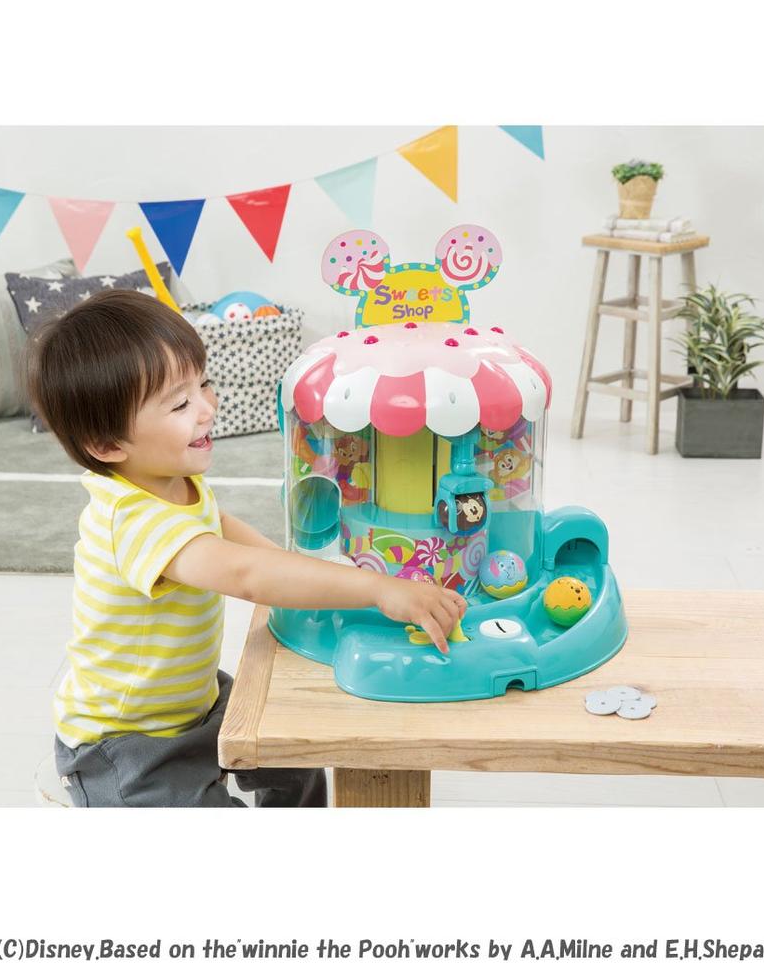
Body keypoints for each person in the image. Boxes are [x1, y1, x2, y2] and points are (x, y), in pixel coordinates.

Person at [27, 289, 466, 807]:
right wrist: (376, 588)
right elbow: (246, 575)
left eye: (203, 384)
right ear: (107, 445)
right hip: (127, 745)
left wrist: (317, 577)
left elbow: (237, 541)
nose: (207, 408)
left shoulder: (170, 481)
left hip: (192, 703)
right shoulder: (132, 519)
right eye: (180, 404)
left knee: (294, 747)